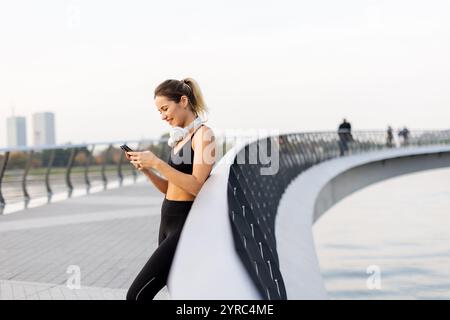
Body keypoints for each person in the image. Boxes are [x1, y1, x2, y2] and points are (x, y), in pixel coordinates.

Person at [125, 78, 216, 300]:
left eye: (165, 108)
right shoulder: (179, 138)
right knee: (180, 294)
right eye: (159, 112)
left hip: (185, 224)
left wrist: (156, 162)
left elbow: (196, 186)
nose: (163, 116)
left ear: (183, 101)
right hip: (167, 220)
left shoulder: (204, 135)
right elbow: (170, 189)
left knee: (136, 296)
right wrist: (147, 170)